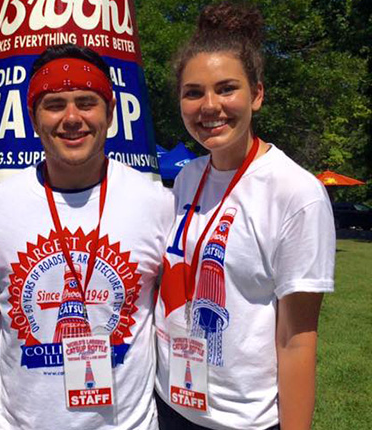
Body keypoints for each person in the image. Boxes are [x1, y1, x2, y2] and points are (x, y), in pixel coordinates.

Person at [153, 3, 335, 430]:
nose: (209, 105)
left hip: (240, 420)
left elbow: (297, 340)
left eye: (227, 88)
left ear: (257, 94)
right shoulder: (188, 178)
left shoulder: (295, 193)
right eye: (193, 92)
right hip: (168, 401)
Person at [0, 44, 174, 430]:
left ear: (110, 113)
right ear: (33, 118)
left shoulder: (157, 202)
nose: (72, 118)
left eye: (87, 102)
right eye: (54, 104)